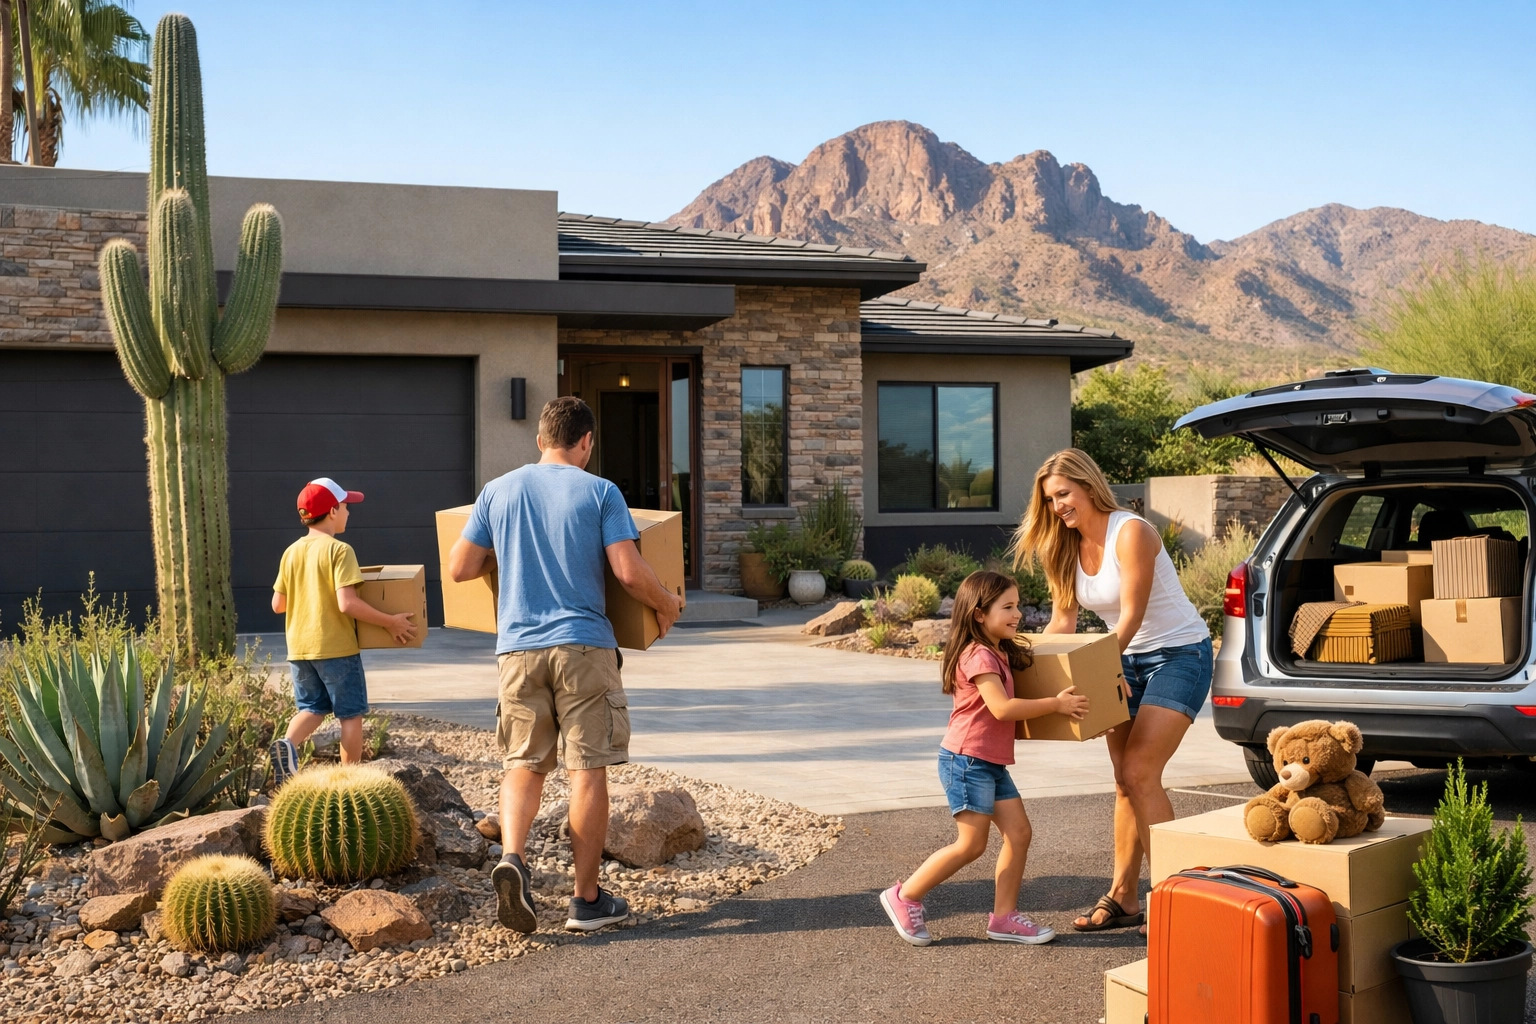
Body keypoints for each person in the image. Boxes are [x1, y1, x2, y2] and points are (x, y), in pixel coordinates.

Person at [447, 396, 684, 935]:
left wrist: (507, 548)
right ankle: (586, 899)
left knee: (523, 764)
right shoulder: (600, 491)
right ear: (587, 442)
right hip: (583, 647)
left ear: (539, 439)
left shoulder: (497, 492)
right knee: (586, 770)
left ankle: (512, 857)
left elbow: (460, 567)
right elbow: (627, 572)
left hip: (517, 650)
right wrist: (667, 603)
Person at [1013, 448, 1212, 935]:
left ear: (1087, 486)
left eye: (1064, 494)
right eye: (1050, 500)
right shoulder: (1060, 547)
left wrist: (1101, 666)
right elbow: (1063, 622)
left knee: (1142, 771)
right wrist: (1027, 672)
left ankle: (1174, 900)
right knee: (1123, 779)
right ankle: (1125, 897)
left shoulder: (1132, 532)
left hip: (1179, 655)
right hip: (1119, 660)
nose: (1058, 506)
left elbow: (1132, 614)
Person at [880, 570, 1089, 947]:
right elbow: (1002, 708)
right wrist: (1057, 705)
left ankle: (1004, 918)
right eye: (1007, 607)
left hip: (988, 762)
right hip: (966, 761)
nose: (1018, 613)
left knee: (1019, 834)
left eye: (1018, 605)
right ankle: (904, 895)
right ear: (979, 614)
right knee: (971, 845)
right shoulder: (978, 656)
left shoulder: (998, 650)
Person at [269, 478, 418, 781]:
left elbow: (278, 605)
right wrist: (391, 622)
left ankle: (287, 745)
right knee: (351, 714)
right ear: (333, 510)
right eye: (347, 507)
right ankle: (350, 780)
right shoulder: (340, 550)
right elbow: (347, 604)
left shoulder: (291, 552)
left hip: (299, 649)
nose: (350, 513)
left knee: (312, 708)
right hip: (336, 646)